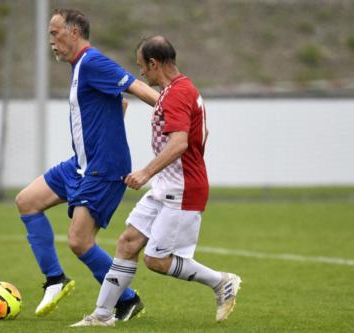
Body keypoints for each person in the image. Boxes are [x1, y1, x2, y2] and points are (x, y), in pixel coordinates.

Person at [71, 36, 242, 327]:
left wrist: (146, 172)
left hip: (182, 188)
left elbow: (179, 143)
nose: (140, 74)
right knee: (127, 243)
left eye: (142, 67)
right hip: (168, 184)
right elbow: (202, 133)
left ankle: (220, 282)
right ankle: (101, 316)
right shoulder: (179, 88)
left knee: (156, 260)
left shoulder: (176, 94)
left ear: (154, 63)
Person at [15, 9, 159, 320]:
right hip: (80, 164)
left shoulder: (92, 61)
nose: (51, 41)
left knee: (79, 241)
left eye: (55, 34)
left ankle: (127, 300)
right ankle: (55, 280)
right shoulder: (79, 67)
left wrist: (175, 110)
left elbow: (137, 89)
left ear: (75, 33)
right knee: (26, 201)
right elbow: (118, 102)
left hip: (104, 167)